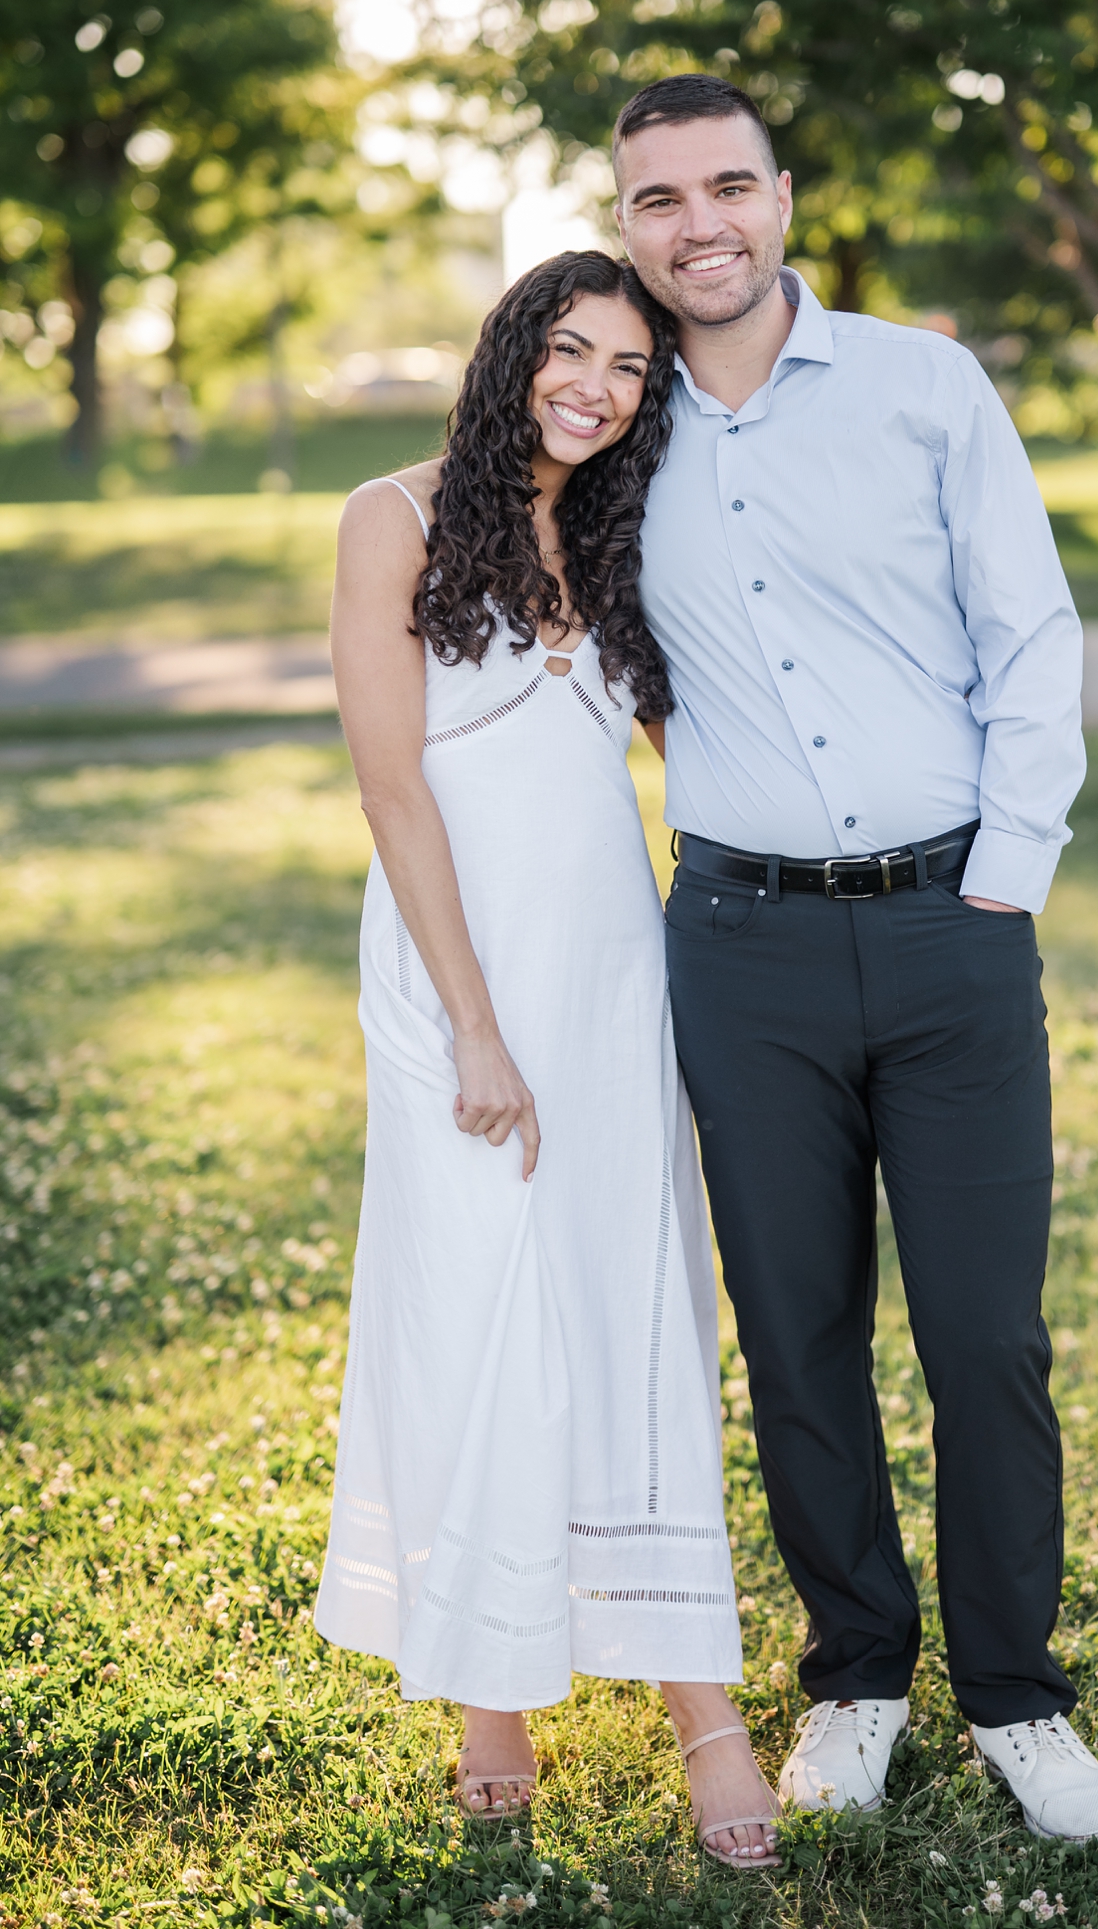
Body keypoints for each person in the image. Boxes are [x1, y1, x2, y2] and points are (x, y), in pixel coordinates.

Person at [611, 76, 1098, 1844]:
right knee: (798, 1337)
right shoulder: (614, 430)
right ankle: (856, 1679)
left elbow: (1031, 625)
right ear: (627, 227)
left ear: (781, 197)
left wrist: (1009, 878)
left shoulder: (924, 384)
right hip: (739, 947)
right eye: (661, 199)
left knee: (986, 1337)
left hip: (949, 932)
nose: (702, 226)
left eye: (730, 187)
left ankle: (1017, 1697)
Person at [314, 250, 782, 1869]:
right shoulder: (396, 513)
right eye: (569, 349)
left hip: (609, 974)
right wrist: (475, 1025)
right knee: (480, 1308)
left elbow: (694, 747)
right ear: (515, 347)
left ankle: (700, 1709)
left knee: (629, 1291)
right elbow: (395, 793)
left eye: (630, 367)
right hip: (464, 980)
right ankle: (487, 1691)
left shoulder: (609, 530)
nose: (596, 383)